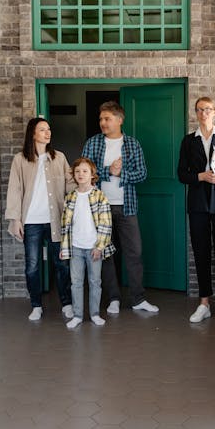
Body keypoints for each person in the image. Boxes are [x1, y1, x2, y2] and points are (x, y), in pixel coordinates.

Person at [81, 101, 159, 314]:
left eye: (107, 119)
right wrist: (108, 171)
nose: (102, 123)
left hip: (127, 207)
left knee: (134, 252)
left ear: (119, 120)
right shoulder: (93, 143)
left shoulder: (133, 144)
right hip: (100, 209)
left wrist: (121, 173)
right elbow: (84, 173)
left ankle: (138, 299)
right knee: (106, 255)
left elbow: (142, 174)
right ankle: (113, 299)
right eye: (101, 119)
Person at [5, 117, 75, 321]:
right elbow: (15, 190)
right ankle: (36, 305)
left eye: (49, 129)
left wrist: (84, 193)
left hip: (56, 220)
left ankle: (67, 303)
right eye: (42, 129)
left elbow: (70, 184)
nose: (48, 132)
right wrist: (15, 219)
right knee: (32, 265)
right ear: (32, 134)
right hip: (31, 221)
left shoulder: (59, 157)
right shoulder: (20, 159)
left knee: (61, 264)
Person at [177, 96, 215, 323]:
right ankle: (203, 302)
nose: (204, 113)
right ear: (196, 113)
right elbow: (181, 174)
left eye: (208, 109)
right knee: (201, 253)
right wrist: (200, 176)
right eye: (200, 110)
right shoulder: (188, 141)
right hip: (197, 204)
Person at [60, 157, 115, 329]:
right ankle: (77, 315)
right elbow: (65, 225)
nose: (81, 174)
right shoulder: (70, 197)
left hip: (93, 248)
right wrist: (64, 247)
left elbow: (106, 223)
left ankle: (94, 314)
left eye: (85, 171)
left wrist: (100, 246)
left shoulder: (99, 196)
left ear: (92, 175)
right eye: (77, 171)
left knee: (94, 282)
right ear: (74, 175)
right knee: (76, 282)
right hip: (75, 247)